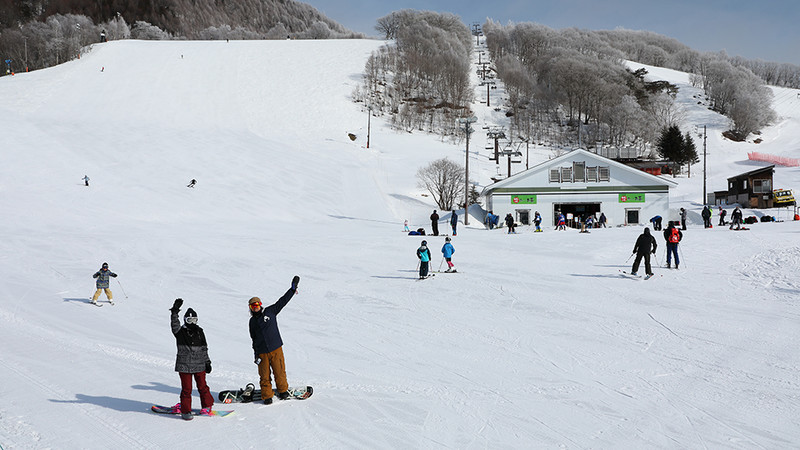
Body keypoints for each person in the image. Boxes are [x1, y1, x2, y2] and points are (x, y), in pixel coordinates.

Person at [249, 275, 300, 405]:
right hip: (262, 352)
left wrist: (292, 289)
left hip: (276, 348)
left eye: (257, 304)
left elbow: (282, 301)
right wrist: (256, 355)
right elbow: (253, 339)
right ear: (250, 308)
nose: (255, 307)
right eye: (252, 306)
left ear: (261, 304)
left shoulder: (271, 311)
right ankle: (267, 396)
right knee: (264, 376)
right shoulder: (252, 322)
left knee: (279, 371)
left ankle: (283, 391)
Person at [169, 298, 214, 420]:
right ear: (185, 320)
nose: (192, 322)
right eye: (189, 320)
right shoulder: (180, 332)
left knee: (203, 387)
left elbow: (204, 348)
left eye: (194, 320)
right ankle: (186, 410)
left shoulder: (200, 331)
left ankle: (207, 406)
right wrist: (174, 311)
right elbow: (174, 324)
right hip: (185, 366)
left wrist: (207, 362)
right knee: (187, 389)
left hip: (199, 364)